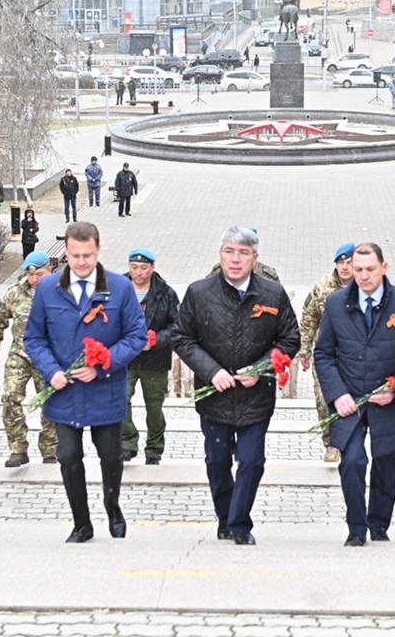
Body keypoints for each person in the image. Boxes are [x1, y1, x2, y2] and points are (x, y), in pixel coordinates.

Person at [171, 226, 301, 546]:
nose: (235, 259)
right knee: (217, 461)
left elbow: (290, 339)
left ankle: (239, 523)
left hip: (255, 397)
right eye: (229, 251)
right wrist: (211, 371)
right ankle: (224, 516)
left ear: (255, 258)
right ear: (220, 254)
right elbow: (182, 338)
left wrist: (262, 369)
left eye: (244, 253)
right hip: (214, 396)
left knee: (252, 461)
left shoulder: (272, 294)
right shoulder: (200, 293)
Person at [24, 222, 148, 542]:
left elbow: (136, 336)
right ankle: (82, 523)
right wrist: (51, 371)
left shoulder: (119, 288)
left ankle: (112, 506)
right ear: (66, 252)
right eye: (75, 255)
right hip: (64, 391)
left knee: (110, 456)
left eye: (88, 255)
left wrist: (102, 365)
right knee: (67, 456)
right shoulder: (48, 288)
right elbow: (35, 338)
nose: (81, 262)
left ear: (99, 250)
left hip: (105, 390)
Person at [314, 243, 395, 546]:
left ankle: (379, 524)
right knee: (352, 461)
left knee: (384, 464)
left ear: (384, 267)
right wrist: (337, 394)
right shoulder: (336, 303)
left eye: (370, 269)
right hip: (349, 401)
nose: (364, 276)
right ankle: (356, 527)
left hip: (389, 402)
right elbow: (324, 354)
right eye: (358, 270)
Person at [0, 250, 59, 467]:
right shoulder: (15, 294)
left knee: (51, 404)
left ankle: (50, 451)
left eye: (39, 274)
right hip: (20, 354)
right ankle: (18, 448)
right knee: (10, 397)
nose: (34, 279)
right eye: (31, 275)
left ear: (50, 270)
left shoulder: (62, 293)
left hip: (49, 357)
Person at [120, 247, 180, 466]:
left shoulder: (166, 293)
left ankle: (154, 450)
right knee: (120, 400)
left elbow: (178, 325)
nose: (138, 272)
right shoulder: (118, 288)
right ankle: (127, 444)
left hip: (154, 360)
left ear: (153, 268)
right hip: (125, 359)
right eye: (134, 267)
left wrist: (155, 340)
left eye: (144, 268)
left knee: (154, 408)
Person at [299, 242, 356, 463]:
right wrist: (304, 351)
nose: (344, 267)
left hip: (353, 356)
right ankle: (331, 444)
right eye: (341, 262)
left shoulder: (365, 286)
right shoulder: (322, 288)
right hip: (326, 355)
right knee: (324, 400)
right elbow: (309, 319)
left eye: (349, 262)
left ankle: (348, 440)